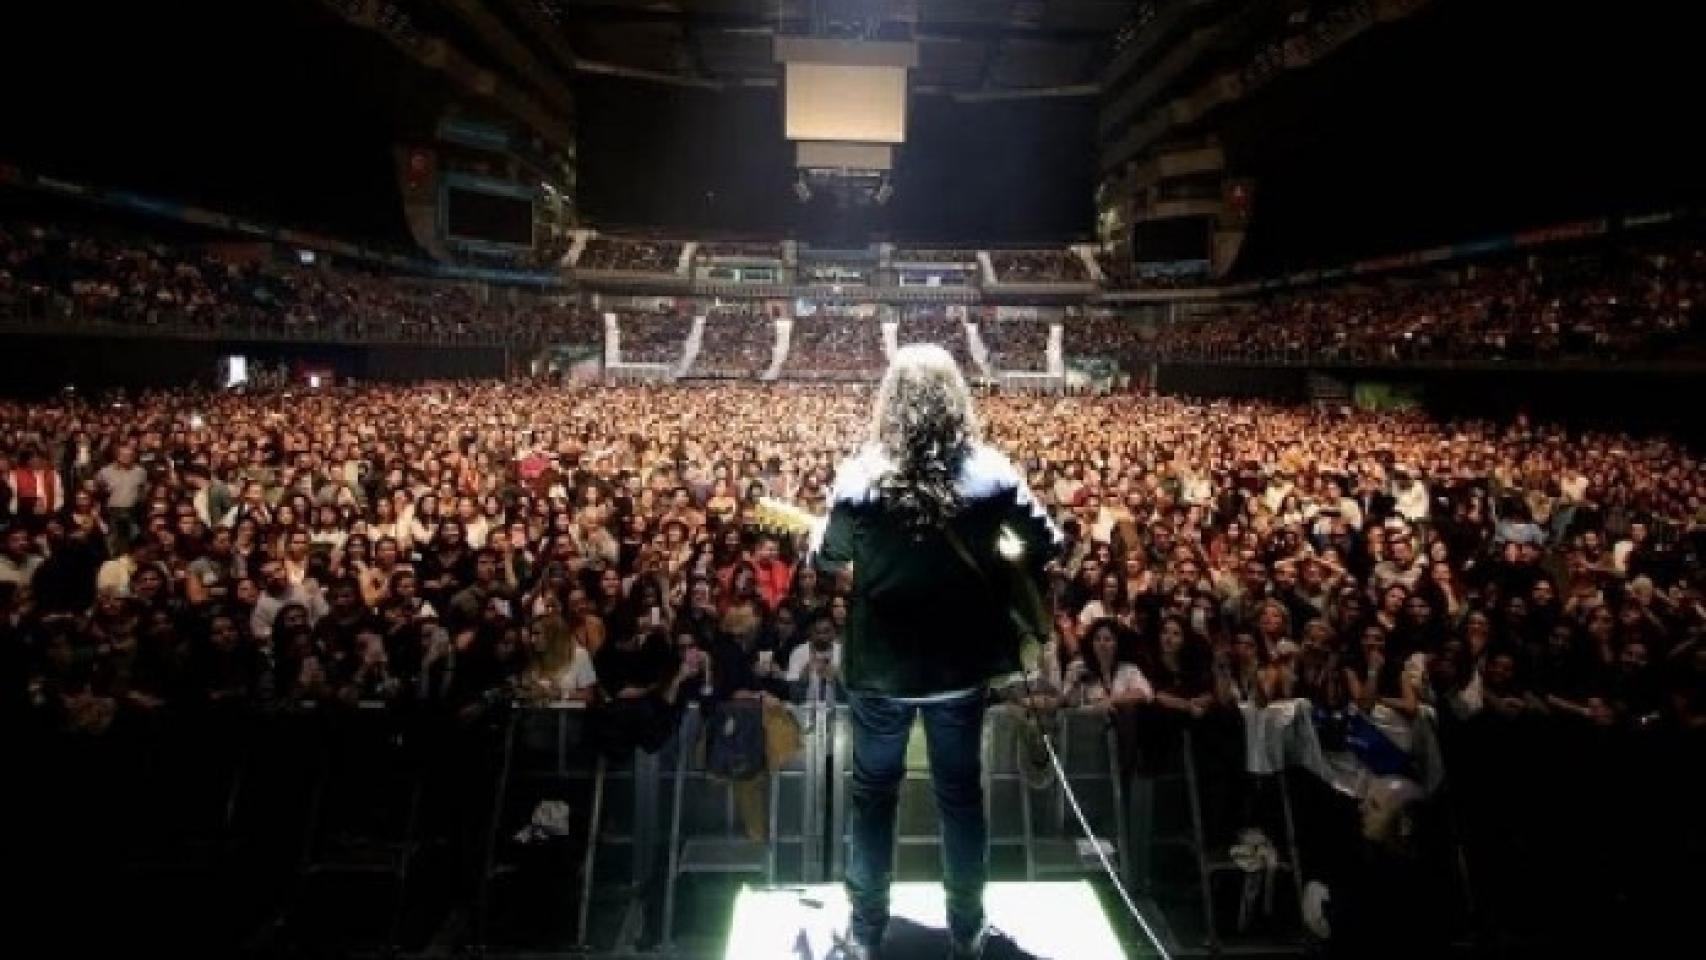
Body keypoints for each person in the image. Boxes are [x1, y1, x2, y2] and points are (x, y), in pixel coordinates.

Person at [812, 345, 1062, 960]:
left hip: (881, 671)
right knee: (960, 795)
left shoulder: (859, 476)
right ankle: (967, 928)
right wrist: (998, 561)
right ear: (956, 399)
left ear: (890, 403)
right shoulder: (993, 473)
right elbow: (1046, 543)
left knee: (874, 797)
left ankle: (867, 930)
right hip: (958, 669)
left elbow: (828, 561)